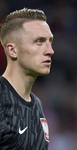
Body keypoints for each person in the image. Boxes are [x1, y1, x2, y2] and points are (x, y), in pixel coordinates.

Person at [0, 8, 54, 149]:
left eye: (50, 41)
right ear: (12, 50)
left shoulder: (37, 106)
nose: (50, 50)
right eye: (39, 41)